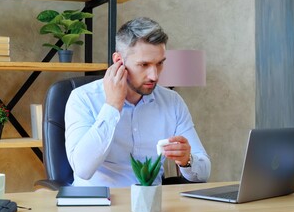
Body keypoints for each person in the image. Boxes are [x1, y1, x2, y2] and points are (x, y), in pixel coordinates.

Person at [65, 17, 211, 187]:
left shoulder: (172, 102)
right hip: (98, 205)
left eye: (159, 64)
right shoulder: (83, 98)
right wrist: (112, 107)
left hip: (151, 205)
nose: (154, 76)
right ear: (119, 61)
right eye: (144, 65)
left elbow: (204, 173)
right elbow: (83, 169)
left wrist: (187, 160)